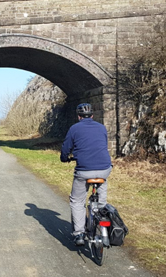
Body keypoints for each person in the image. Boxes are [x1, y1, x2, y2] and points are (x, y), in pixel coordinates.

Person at [60, 103, 112, 246]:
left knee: (77, 201)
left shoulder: (74, 128)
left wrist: (65, 158)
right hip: (104, 168)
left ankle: (79, 234)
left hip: (84, 170)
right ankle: (101, 208)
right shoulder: (101, 127)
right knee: (102, 185)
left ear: (79, 117)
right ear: (92, 115)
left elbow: (66, 148)